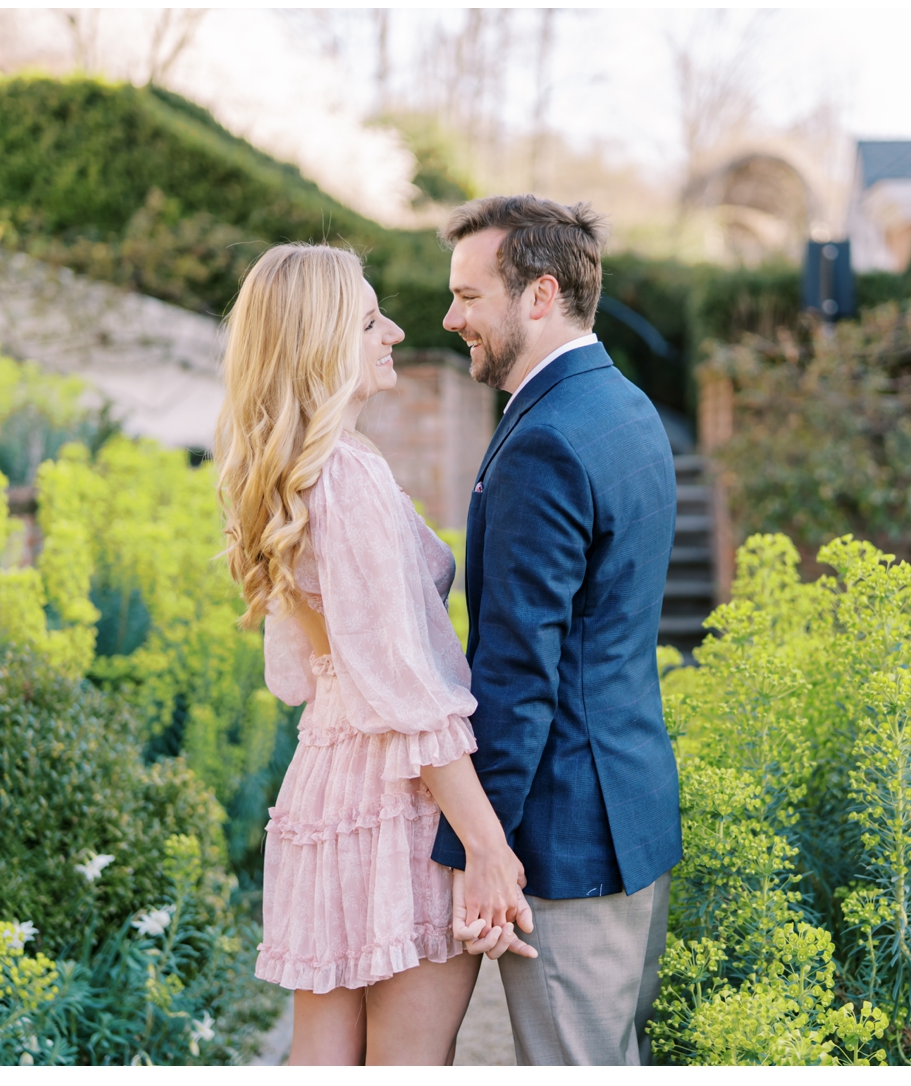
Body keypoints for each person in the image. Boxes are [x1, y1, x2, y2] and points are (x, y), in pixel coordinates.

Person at [216, 244, 534, 1066]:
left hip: (323, 787)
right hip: (394, 796)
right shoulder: (347, 477)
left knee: (321, 1058)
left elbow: (303, 674)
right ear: (320, 345)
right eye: (367, 321)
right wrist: (488, 847)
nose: (394, 330)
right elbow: (405, 693)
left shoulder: (289, 472)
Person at [431, 196, 683, 1065]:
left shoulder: (545, 440)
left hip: (567, 836)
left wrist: (483, 846)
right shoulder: (624, 406)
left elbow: (517, 674)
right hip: (630, 812)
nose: (449, 317)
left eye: (469, 295)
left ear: (540, 296)